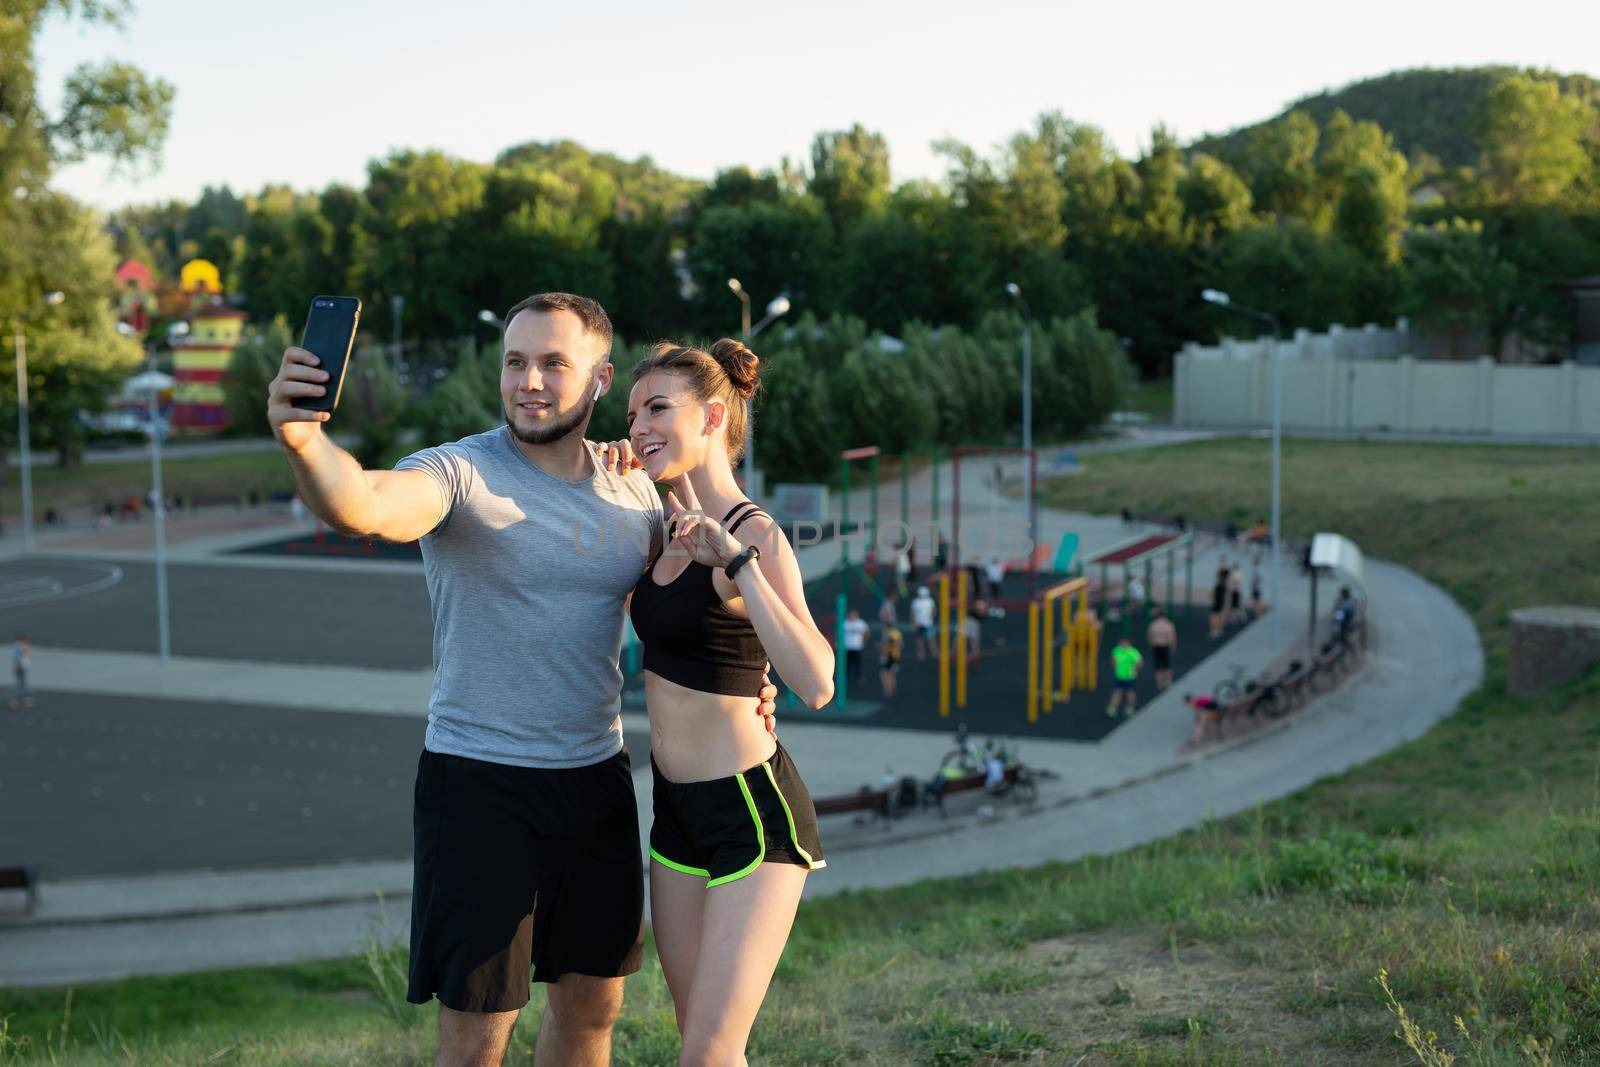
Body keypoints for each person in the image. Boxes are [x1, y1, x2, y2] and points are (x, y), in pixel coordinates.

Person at [268, 292, 780, 1067]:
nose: (528, 381)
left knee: (592, 1007)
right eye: (514, 362)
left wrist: (754, 684)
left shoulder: (635, 490)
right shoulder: (460, 471)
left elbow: (694, 610)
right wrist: (305, 443)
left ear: (601, 380)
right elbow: (365, 503)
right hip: (479, 786)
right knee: (478, 1033)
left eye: (552, 363)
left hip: (596, 781)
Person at [609, 337, 835, 1065]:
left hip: (750, 814)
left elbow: (817, 677)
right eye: (633, 410)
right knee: (703, 1046)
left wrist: (737, 566)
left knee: (707, 1053)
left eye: (657, 408)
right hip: (673, 814)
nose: (638, 424)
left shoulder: (753, 533)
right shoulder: (662, 528)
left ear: (711, 415)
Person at [1106, 636, 1143, 717]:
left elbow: (1140, 662)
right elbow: (1113, 660)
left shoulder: (1133, 652)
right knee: (1117, 692)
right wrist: (1115, 669)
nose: (1122, 644)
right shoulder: (1117, 650)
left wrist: (1135, 671)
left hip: (1129, 677)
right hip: (1119, 676)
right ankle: (1113, 708)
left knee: (1129, 692)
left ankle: (1130, 708)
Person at [1145, 606, 1176, 691]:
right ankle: (1168, 682)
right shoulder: (1168, 624)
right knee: (1167, 665)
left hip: (1156, 646)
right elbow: (1172, 637)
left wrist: (1151, 647)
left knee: (1158, 666)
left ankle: (1159, 683)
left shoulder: (1153, 625)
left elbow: (1149, 637)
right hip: (1165, 646)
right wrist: (1173, 647)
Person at [842, 608, 869, 682]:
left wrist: (864, 641)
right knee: (847, 663)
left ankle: (858, 677)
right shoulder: (845, 623)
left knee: (857, 663)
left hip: (857, 647)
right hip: (847, 647)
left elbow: (867, 632)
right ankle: (846, 677)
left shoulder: (861, 623)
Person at [909, 585, 936, 661]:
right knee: (922, 639)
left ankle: (931, 652)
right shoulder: (918, 601)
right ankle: (923, 653)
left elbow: (933, 611)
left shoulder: (928, 601)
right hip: (922, 623)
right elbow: (912, 613)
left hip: (926, 623)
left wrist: (913, 622)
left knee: (928, 638)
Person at [877, 623, 904, 698]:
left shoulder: (889, 635)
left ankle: (888, 691)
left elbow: (886, 647)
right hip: (896, 656)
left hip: (889, 656)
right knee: (892, 674)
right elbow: (901, 644)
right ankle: (892, 690)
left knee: (884, 674)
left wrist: (879, 647)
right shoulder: (897, 633)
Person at [9, 635, 32, 709]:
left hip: (21, 668)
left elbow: (25, 655)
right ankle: (16, 701)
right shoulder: (18, 648)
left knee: (22, 684)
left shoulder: (18, 647)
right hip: (20, 668)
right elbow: (18, 659)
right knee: (21, 684)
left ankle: (23, 700)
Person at [1209, 564, 1229, 639]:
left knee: (1214, 616)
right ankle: (1220, 630)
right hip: (1221, 602)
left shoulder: (1219, 584)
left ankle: (1215, 630)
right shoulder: (1224, 584)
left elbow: (1213, 593)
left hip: (1217, 602)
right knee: (1220, 615)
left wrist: (1212, 599)